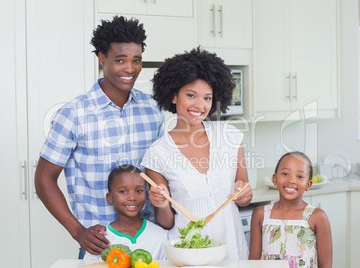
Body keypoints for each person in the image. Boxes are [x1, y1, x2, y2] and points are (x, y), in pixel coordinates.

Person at [34, 16, 165, 258]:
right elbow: (44, 179)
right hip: (101, 246)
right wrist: (78, 232)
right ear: (102, 59)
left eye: (136, 60)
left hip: (152, 242)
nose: (130, 68)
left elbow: (160, 173)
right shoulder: (74, 114)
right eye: (120, 60)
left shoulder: (152, 109)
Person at [140, 47, 253, 260]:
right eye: (191, 95)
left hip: (231, 249)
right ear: (174, 96)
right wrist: (161, 203)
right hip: (187, 253)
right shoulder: (157, 154)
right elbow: (167, 222)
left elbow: (244, 195)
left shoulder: (229, 136)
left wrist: (244, 193)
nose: (199, 105)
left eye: (207, 98)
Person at [249, 152, 333, 268]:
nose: (292, 180)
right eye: (285, 173)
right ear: (275, 178)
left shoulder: (318, 216)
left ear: (308, 185)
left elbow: (326, 265)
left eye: (299, 176)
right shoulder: (260, 214)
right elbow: (252, 263)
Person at [84, 164, 167, 261]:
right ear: (109, 198)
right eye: (123, 191)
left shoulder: (161, 236)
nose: (132, 197)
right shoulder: (100, 239)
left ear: (146, 195)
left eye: (139, 190)